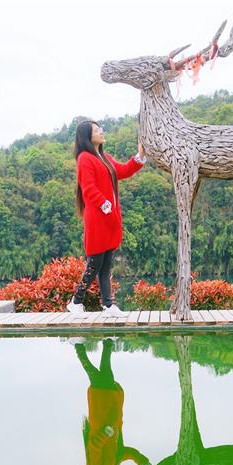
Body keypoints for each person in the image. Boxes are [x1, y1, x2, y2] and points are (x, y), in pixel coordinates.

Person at [68, 120, 146, 318]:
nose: (101, 132)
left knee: (105, 265)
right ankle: (76, 302)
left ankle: (108, 305)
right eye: (96, 130)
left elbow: (123, 170)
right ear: (87, 136)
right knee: (95, 263)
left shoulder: (104, 157)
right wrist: (106, 205)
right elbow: (88, 188)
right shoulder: (85, 158)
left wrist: (140, 156)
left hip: (109, 218)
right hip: (97, 218)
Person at [72, 337, 150, 465]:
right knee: (103, 374)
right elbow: (126, 453)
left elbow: (94, 447)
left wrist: (105, 434)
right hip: (110, 411)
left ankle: (83, 346)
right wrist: (142, 462)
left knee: (102, 375)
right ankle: (95, 345)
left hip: (102, 413)